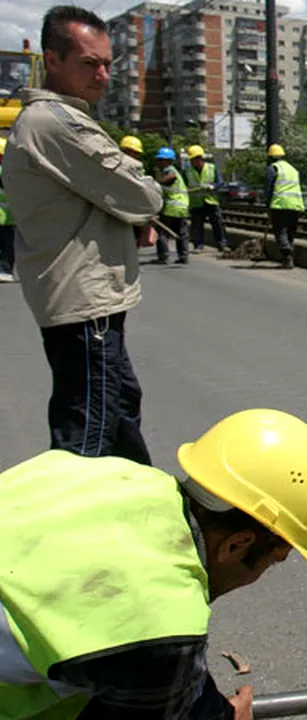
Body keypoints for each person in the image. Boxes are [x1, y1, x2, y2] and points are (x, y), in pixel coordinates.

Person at [0, 408, 307, 720]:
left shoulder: (109, 473)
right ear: (236, 545)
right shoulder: (161, 623)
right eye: (271, 561)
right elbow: (154, 650)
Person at [5, 5, 163, 466]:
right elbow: (143, 195)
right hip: (83, 304)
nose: (103, 75)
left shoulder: (62, 120)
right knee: (88, 436)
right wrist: (137, 200)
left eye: (108, 63)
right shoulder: (55, 123)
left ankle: (136, 508)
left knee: (116, 412)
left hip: (89, 303)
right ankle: (73, 527)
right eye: (89, 63)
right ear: (52, 60)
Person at [263, 143, 303, 269]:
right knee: (290, 232)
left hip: (280, 204)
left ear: (270, 157)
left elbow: (269, 188)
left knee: (280, 231)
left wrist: (267, 205)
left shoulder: (272, 168)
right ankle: (288, 260)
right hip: (295, 205)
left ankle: (287, 253)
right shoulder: (292, 169)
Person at [184, 144, 227, 253]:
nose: (193, 162)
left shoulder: (211, 168)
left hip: (210, 201)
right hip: (196, 202)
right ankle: (198, 245)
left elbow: (221, 182)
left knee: (218, 223)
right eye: (192, 159)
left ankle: (222, 244)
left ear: (200, 158)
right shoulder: (187, 171)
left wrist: (213, 187)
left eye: (195, 159)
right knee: (197, 225)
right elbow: (183, 185)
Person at [154, 146, 190, 265]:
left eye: (161, 159)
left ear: (168, 161)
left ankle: (163, 256)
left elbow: (171, 178)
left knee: (162, 232)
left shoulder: (170, 171)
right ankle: (183, 255)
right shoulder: (173, 171)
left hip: (171, 207)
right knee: (182, 233)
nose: (159, 162)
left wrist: (156, 182)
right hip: (182, 207)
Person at [0, 137, 14, 282]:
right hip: (9, 218)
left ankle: (5, 269)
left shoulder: (5, 170)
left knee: (7, 246)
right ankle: (6, 269)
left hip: (7, 217)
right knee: (8, 246)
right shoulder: (10, 169)